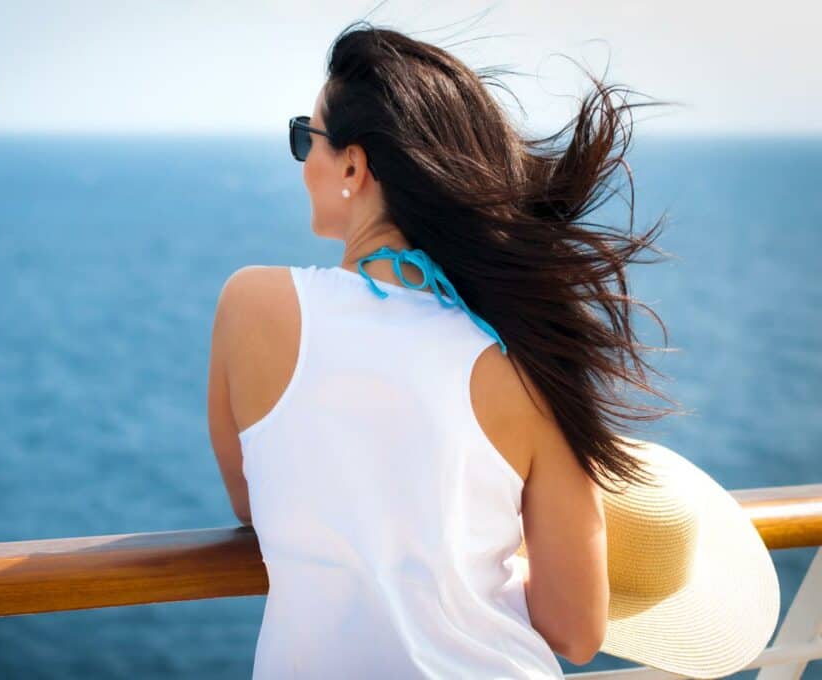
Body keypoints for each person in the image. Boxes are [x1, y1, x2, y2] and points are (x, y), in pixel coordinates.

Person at [207, 19, 680, 679]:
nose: (303, 160)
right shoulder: (529, 356)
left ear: (352, 164)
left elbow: (254, 501)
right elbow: (574, 632)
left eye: (303, 137)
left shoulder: (250, 305)